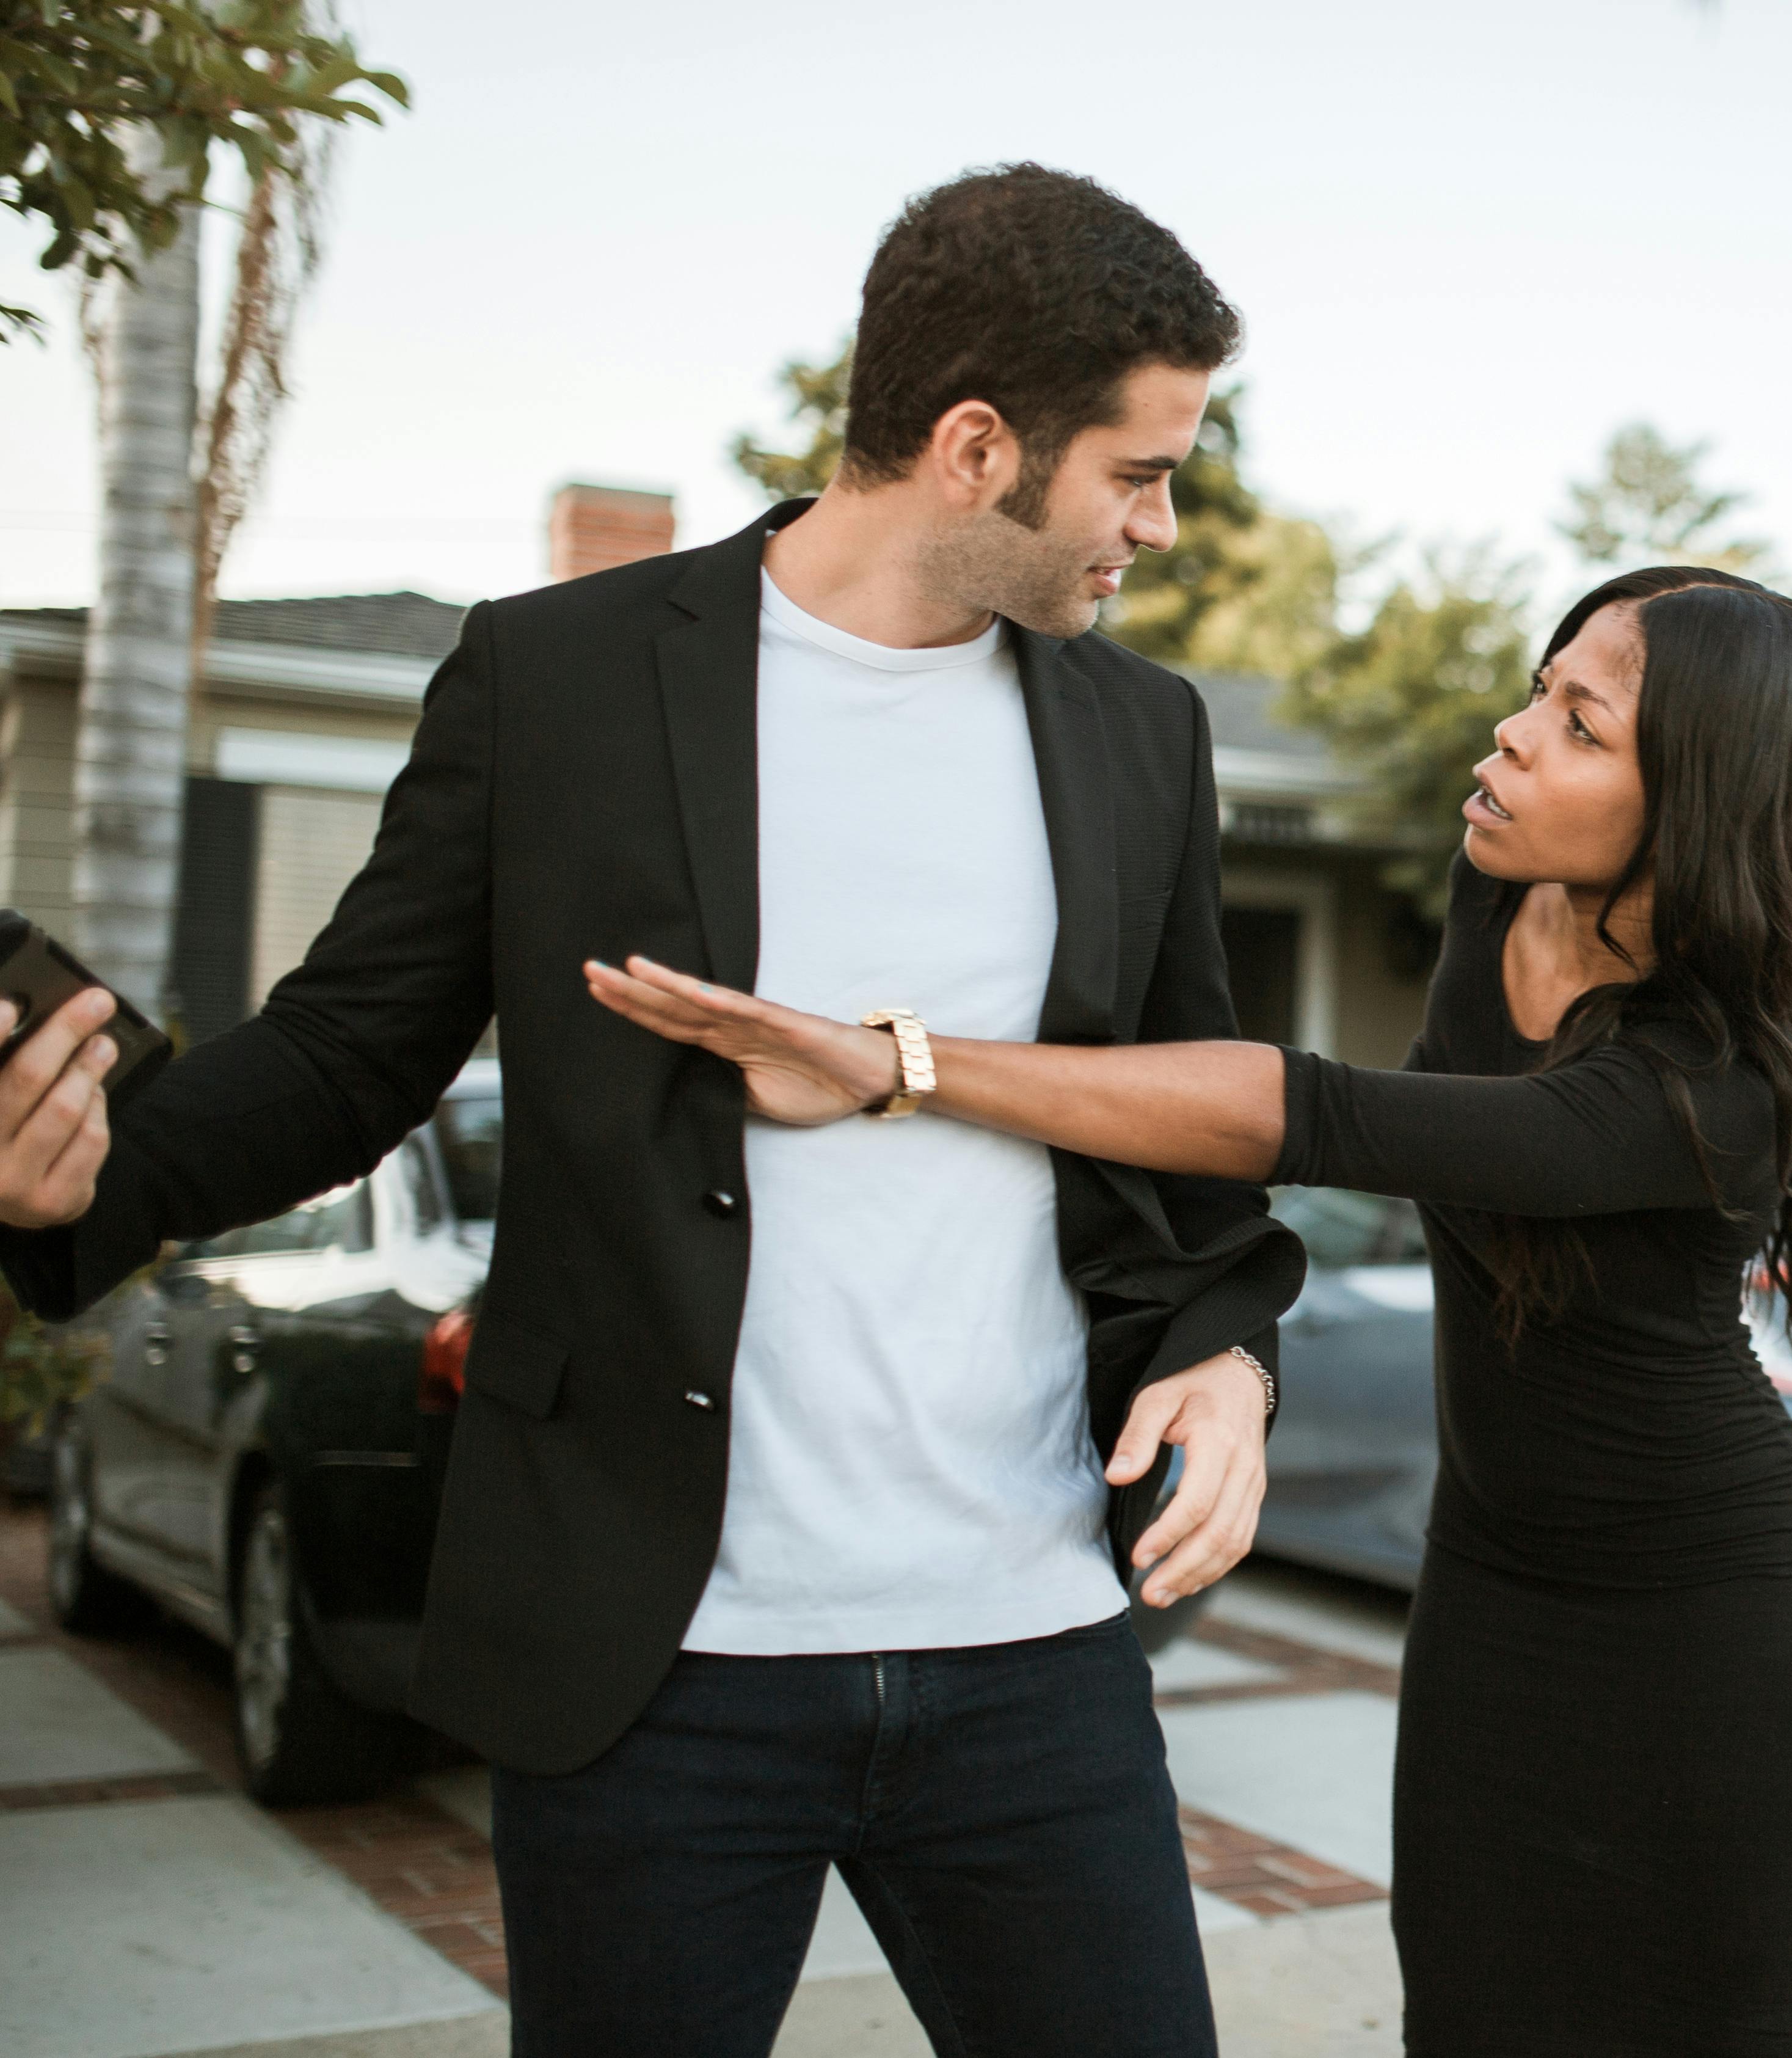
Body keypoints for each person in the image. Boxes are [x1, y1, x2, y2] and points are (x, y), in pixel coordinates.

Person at [0, 164, 1302, 2058]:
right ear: (970, 446)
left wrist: (1229, 1354)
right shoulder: (560, 681)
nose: (1162, 528)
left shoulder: (1138, 732)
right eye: (1138, 471)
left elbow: (1179, 1110)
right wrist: (76, 1182)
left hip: (1032, 1653)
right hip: (654, 1666)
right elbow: (352, 1056)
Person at [588, 563, 1792, 2057]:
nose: (1514, 735)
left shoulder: (1705, 1083)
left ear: (1701, 798)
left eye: (1580, 724)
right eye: (1539, 686)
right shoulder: (1502, 888)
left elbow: (1298, 1112)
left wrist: (897, 1062)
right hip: (1492, 1594)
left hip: (1708, 1631)